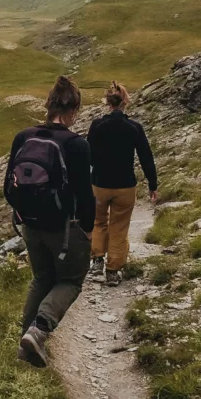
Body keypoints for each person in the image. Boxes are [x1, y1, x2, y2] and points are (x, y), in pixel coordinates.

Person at [4, 76, 94, 368]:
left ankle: (24, 345)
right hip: (64, 228)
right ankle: (39, 330)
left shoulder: (24, 136)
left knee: (41, 278)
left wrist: (22, 214)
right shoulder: (77, 144)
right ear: (74, 109)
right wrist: (88, 229)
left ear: (48, 104)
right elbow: (85, 194)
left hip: (30, 224)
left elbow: (8, 186)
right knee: (70, 280)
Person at [86, 82, 158, 286]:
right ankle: (112, 271)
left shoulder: (96, 125)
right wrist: (153, 184)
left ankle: (97, 261)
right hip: (125, 185)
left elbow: (88, 156)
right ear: (126, 101)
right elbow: (146, 157)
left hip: (99, 184)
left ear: (107, 102)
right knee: (119, 227)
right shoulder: (134, 127)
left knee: (98, 222)